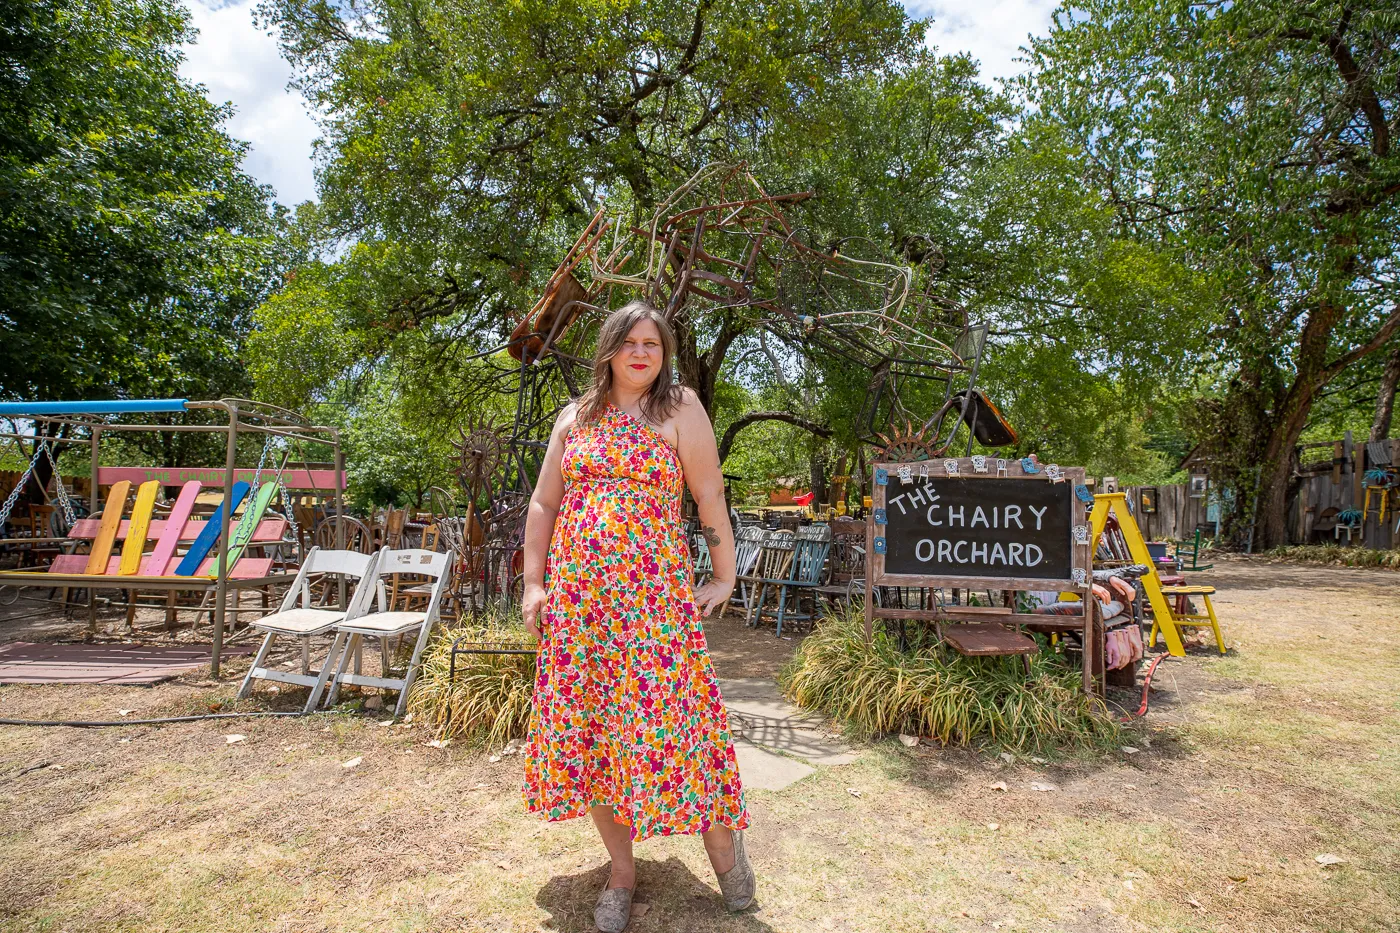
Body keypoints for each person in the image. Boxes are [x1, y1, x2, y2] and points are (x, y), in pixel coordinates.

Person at [520, 300, 754, 931]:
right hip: (582, 611)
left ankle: (725, 852)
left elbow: (709, 495)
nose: (643, 353)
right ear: (610, 349)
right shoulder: (575, 417)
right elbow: (544, 505)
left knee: (680, 727)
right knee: (596, 736)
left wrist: (726, 573)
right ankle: (622, 873)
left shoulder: (679, 408)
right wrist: (533, 584)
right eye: (632, 343)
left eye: (654, 344)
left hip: (654, 609)